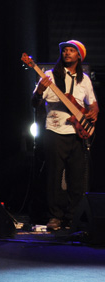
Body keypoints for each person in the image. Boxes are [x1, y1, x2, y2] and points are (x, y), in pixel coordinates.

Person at [32, 40, 98, 231]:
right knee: (54, 176)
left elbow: (92, 104)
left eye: (71, 51)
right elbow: (34, 102)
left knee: (76, 178)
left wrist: (94, 112)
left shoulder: (84, 79)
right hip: (55, 131)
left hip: (77, 132)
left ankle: (73, 216)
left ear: (79, 56)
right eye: (65, 50)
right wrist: (40, 90)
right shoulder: (49, 76)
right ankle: (55, 216)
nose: (67, 53)